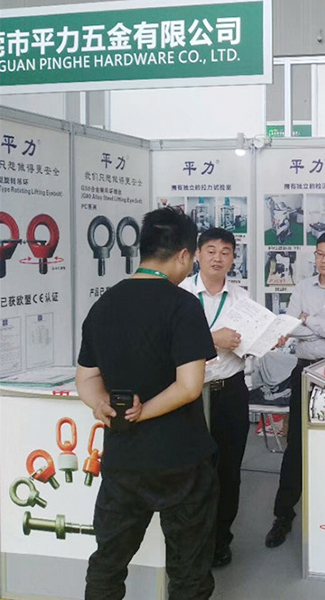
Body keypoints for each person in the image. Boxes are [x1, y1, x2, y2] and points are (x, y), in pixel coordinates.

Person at [76, 208, 218, 600]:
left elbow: (86, 379)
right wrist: (144, 411)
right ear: (184, 255)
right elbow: (189, 387)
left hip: (124, 459)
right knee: (188, 571)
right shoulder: (183, 305)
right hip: (181, 459)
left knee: (107, 563)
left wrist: (102, 406)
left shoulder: (104, 304)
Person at [265, 230, 325, 548]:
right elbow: (289, 326)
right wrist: (321, 324)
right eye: (320, 254)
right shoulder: (302, 287)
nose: (324, 260)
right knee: (296, 444)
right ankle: (283, 515)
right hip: (304, 371)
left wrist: (308, 319)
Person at [179, 227, 250, 568]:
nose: (217, 258)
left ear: (233, 258)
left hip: (230, 390)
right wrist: (213, 339)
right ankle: (192, 541)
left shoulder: (242, 298)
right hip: (188, 393)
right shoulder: (179, 294)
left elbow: (249, 343)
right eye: (210, 250)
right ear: (196, 255)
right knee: (191, 469)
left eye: (225, 252)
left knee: (229, 470)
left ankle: (221, 539)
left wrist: (268, 339)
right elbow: (168, 343)